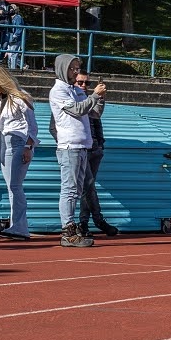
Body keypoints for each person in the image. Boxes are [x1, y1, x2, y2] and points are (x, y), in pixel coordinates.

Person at [50, 54, 105, 248]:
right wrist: (95, 96)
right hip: (69, 146)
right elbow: (78, 110)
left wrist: (100, 98)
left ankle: (72, 228)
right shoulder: (58, 91)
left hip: (82, 146)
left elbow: (94, 113)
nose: (75, 72)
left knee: (78, 190)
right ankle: (68, 230)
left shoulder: (75, 90)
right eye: (72, 68)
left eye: (77, 68)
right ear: (63, 69)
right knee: (69, 189)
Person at [0, 64, 37, 241]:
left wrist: (29, 147)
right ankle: (17, 225)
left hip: (17, 142)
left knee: (15, 185)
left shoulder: (20, 98)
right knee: (11, 186)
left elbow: (32, 126)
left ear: (0, 81)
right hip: (3, 143)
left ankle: (20, 226)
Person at [73, 68, 118, 238]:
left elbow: (96, 116)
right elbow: (54, 127)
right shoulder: (70, 99)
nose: (84, 85)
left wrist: (100, 144)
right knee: (89, 184)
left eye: (87, 83)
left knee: (88, 187)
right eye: (80, 82)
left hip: (94, 149)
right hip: (79, 149)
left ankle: (85, 223)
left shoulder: (88, 99)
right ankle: (97, 220)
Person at [3, 5, 26, 70]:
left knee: (13, 55)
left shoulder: (18, 17)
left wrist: (15, 36)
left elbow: (19, 28)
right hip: (9, 38)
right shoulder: (9, 18)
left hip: (15, 39)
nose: (10, 10)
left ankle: (13, 69)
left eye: (11, 8)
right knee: (9, 55)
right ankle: (11, 68)